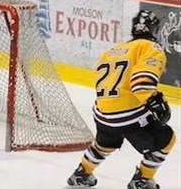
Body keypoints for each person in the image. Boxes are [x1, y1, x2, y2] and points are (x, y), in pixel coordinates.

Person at [67, 10, 176, 189]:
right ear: (154, 30)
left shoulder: (112, 51)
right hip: (128, 115)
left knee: (105, 144)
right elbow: (141, 83)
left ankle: (82, 173)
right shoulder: (151, 47)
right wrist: (156, 100)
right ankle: (142, 180)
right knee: (166, 139)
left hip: (102, 113)